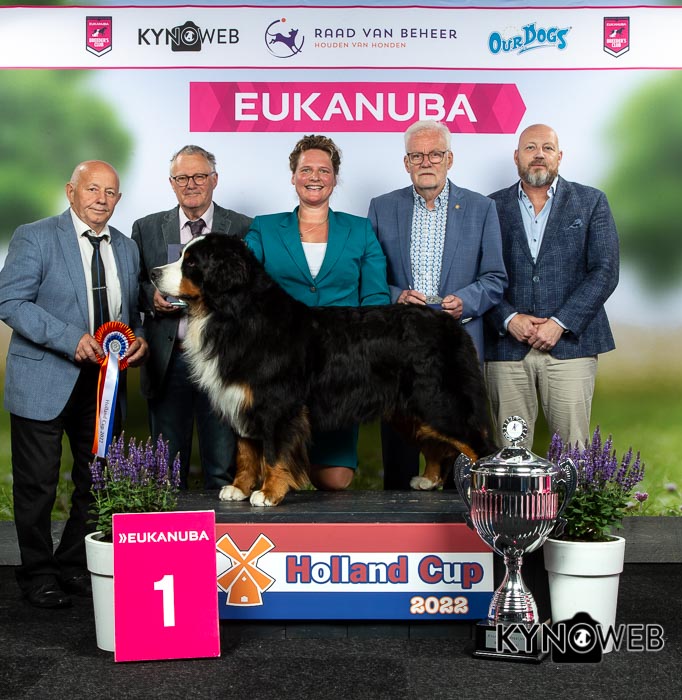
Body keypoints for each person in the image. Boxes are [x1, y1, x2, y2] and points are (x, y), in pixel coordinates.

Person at [0, 161, 148, 608]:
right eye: (92, 189)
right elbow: (10, 301)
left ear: (118, 199)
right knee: (38, 485)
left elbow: (132, 312)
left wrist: (139, 339)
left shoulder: (127, 247)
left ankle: (72, 564)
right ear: (71, 191)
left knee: (95, 481)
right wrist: (70, 338)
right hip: (42, 379)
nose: (101, 199)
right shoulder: (35, 236)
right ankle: (37, 573)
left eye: (110, 192)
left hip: (104, 385)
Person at [245, 134, 390, 491]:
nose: (315, 176)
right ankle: (280, 465)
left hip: (339, 364)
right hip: (279, 361)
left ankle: (298, 466)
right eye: (306, 169)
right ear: (293, 176)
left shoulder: (360, 230)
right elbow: (245, 285)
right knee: (275, 454)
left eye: (324, 170)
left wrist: (364, 356)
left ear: (335, 178)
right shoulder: (264, 227)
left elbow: (375, 297)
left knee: (335, 479)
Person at [368, 119, 507, 489]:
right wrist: (396, 294)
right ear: (406, 163)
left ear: (449, 159)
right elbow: (369, 275)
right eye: (417, 155)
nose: (425, 161)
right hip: (398, 344)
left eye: (434, 154)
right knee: (399, 448)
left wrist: (466, 301)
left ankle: (461, 514)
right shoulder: (382, 207)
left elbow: (495, 277)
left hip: (456, 343)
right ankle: (396, 508)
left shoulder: (481, 208)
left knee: (462, 440)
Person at [484, 123, 620, 449]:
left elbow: (605, 270)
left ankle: (572, 491)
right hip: (506, 347)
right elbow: (478, 273)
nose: (539, 155)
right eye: (530, 148)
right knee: (510, 453)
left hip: (571, 346)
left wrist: (559, 323)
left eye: (547, 148)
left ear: (559, 156)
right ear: (516, 156)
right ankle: (514, 491)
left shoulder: (591, 202)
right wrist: (508, 318)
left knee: (573, 451)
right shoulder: (489, 207)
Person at [132, 145, 252, 489]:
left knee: (222, 465)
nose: (191, 184)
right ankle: (172, 524)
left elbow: (251, 287)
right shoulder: (147, 227)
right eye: (182, 177)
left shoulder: (243, 227)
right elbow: (133, 282)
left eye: (199, 176)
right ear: (172, 183)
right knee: (166, 471)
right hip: (169, 359)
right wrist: (151, 296)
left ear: (214, 179)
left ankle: (224, 523)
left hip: (223, 360)